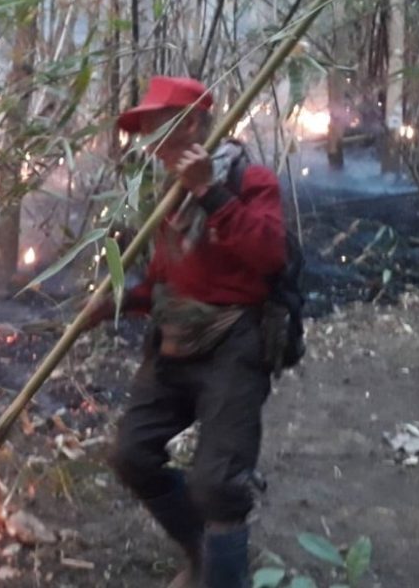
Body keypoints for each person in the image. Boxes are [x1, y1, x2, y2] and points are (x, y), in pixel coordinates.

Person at [84, 76, 286, 588]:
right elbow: (162, 281)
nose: (147, 140)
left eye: (155, 125)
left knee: (218, 484)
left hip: (233, 344)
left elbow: (269, 254)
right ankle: (203, 553)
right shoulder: (166, 199)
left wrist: (209, 190)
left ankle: (221, 573)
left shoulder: (249, 179)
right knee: (132, 454)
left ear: (192, 123)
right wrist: (118, 302)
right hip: (173, 343)